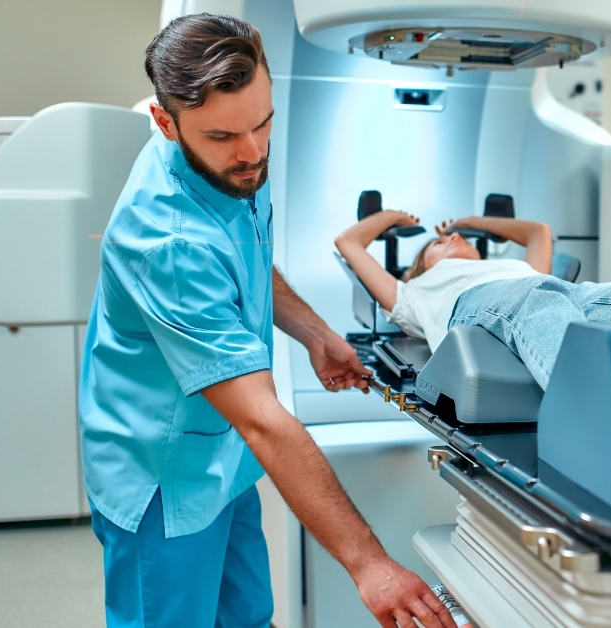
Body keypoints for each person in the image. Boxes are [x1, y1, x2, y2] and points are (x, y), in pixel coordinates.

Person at [79, 15, 456, 628]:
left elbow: (248, 261)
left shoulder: (235, 163)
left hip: (220, 459)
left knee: (248, 617)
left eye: (263, 122)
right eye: (225, 136)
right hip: (162, 476)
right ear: (164, 123)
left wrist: (314, 333)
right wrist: (370, 564)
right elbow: (261, 419)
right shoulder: (165, 241)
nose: (251, 153)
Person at [335, 210, 611, 388]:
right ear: (419, 268)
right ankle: (603, 421)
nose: (452, 239)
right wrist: (391, 216)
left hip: (560, 295)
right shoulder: (412, 293)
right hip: (483, 306)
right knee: (539, 297)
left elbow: (539, 231)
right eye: (438, 243)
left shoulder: (519, 267)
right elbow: (348, 242)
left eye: (457, 238)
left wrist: (468, 222)